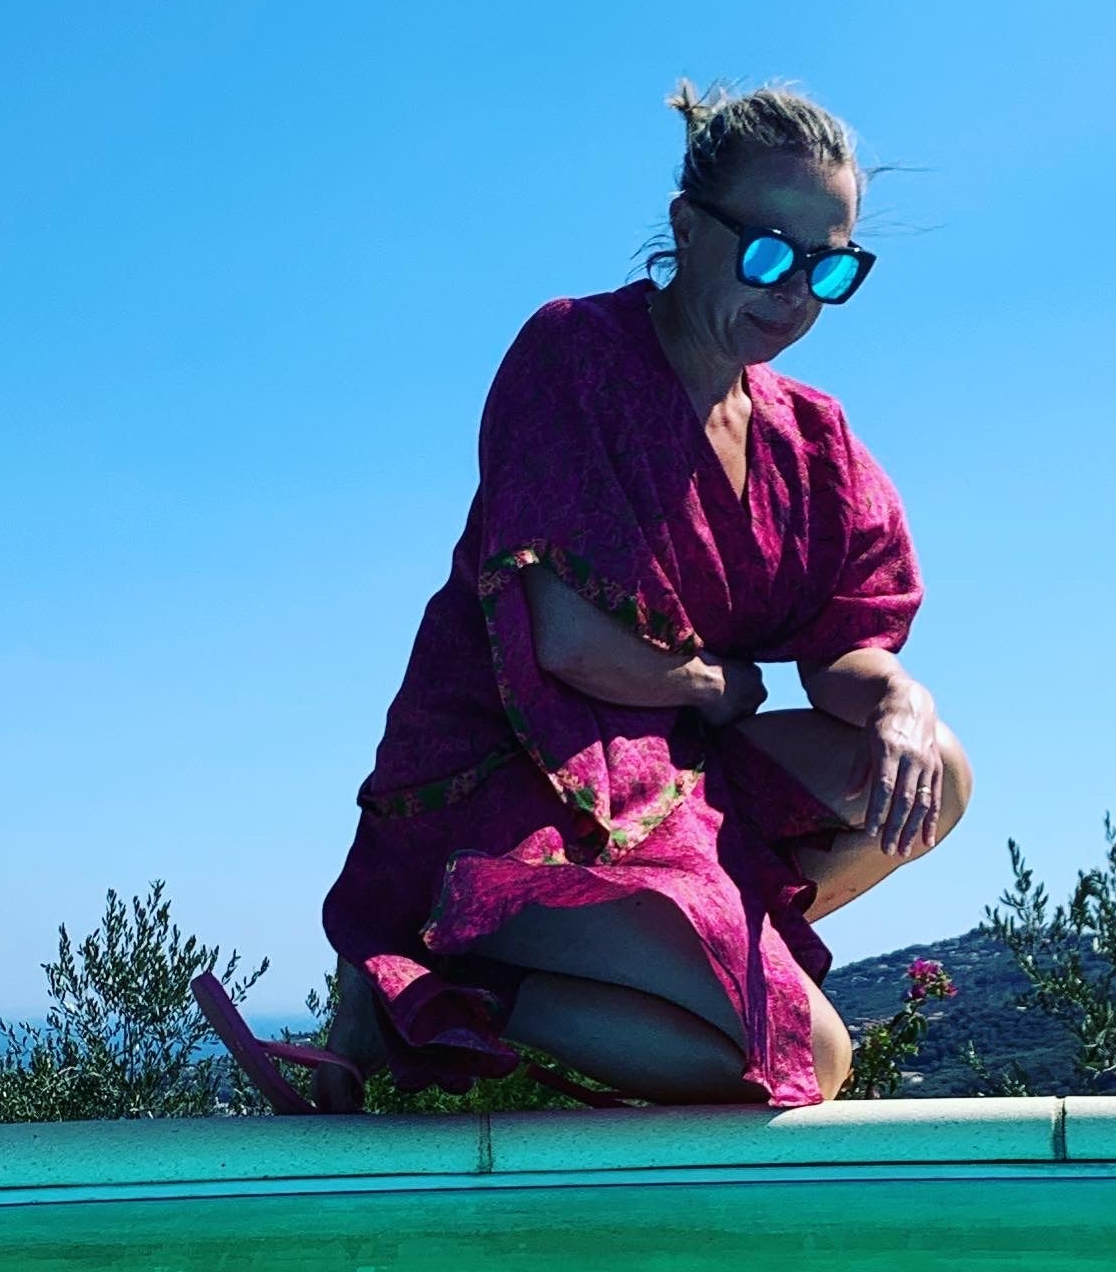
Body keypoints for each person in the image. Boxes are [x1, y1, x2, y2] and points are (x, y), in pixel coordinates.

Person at [200, 78, 974, 1113]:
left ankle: (676, 936)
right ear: (687, 228)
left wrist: (898, 704)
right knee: (812, 1058)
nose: (793, 294)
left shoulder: (813, 440)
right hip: (515, 786)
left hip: (678, 781)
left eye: (828, 267)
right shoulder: (575, 357)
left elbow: (845, 642)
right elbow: (565, 638)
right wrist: (721, 682)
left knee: (937, 777)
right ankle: (434, 991)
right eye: (768, 253)